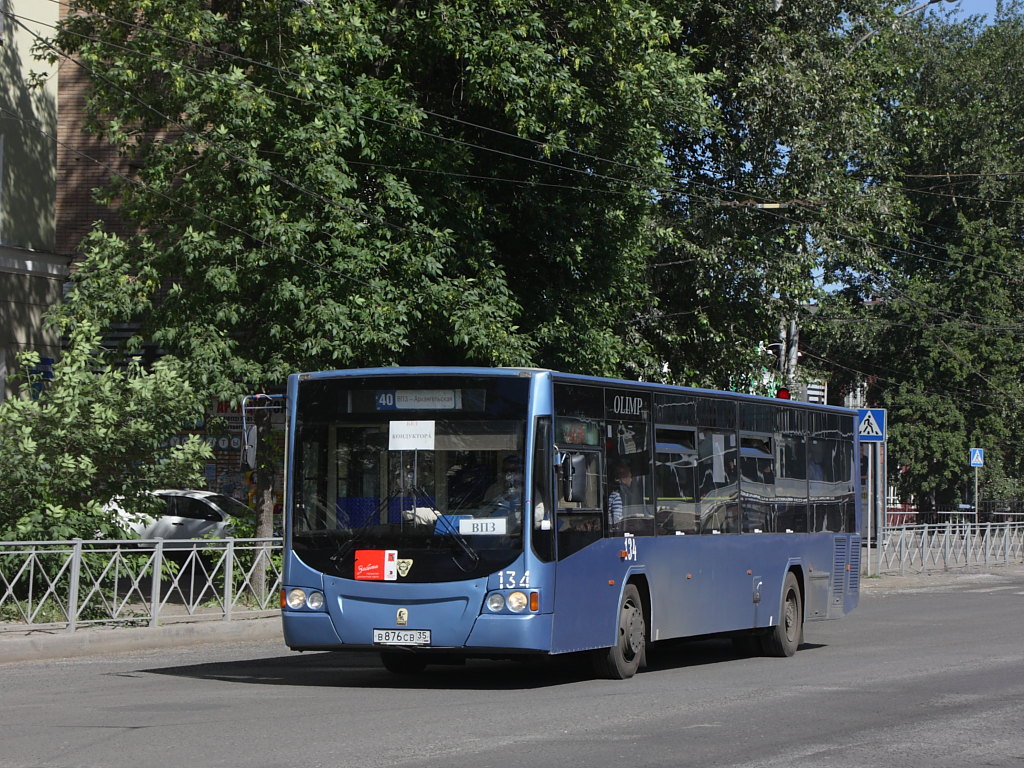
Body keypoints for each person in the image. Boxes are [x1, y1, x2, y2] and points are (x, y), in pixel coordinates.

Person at [608, 458, 641, 525]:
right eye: (630, 476)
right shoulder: (616, 495)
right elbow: (615, 519)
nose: (631, 479)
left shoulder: (639, 488)